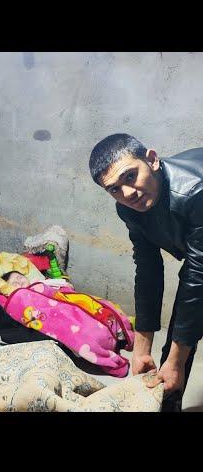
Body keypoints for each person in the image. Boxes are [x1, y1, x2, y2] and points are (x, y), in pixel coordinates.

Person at [89, 133, 203, 411]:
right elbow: (148, 268)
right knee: (180, 334)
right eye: (114, 189)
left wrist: (175, 360)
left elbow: (198, 278)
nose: (127, 193)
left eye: (130, 176)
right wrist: (142, 347)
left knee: (182, 337)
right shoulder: (128, 208)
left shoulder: (194, 193)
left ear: (151, 160)